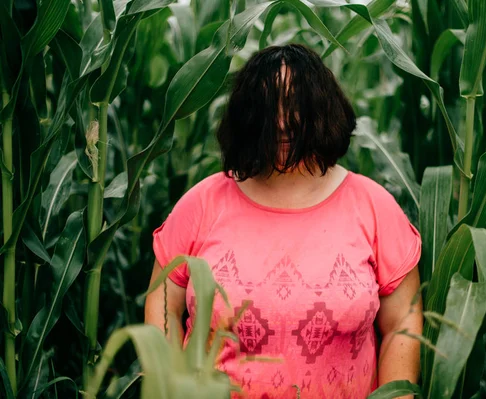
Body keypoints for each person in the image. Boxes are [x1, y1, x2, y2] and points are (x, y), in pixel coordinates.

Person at [145, 43, 422, 399]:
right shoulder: (202, 203)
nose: (281, 121)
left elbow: (402, 322)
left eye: (295, 105)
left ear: (323, 110)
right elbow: (163, 302)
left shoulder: (373, 206)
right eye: (266, 106)